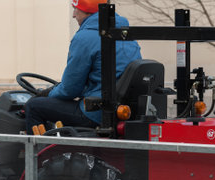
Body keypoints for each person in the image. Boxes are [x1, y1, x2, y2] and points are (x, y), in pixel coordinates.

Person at [24, 0, 141, 134]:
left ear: (87, 12)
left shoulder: (85, 37)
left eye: (76, 9)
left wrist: (47, 93)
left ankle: (36, 153)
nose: (73, 15)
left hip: (95, 113)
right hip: (120, 107)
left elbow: (70, 90)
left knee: (33, 106)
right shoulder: (124, 34)